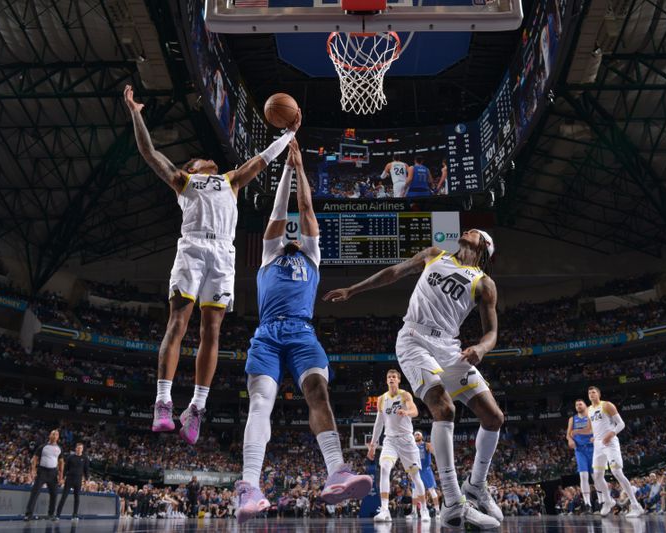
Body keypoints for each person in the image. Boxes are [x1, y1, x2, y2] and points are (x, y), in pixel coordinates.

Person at [124, 85, 300, 444]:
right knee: (178, 323)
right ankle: (162, 401)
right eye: (202, 157)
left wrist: (289, 134)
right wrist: (136, 113)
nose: (210, 158)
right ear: (193, 167)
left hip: (223, 253)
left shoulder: (231, 181)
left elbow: (261, 159)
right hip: (191, 249)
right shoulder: (184, 180)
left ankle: (196, 408)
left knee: (212, 331)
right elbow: (148, 151)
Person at [324, 229, 502, 529]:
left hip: (449, 347)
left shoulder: (484, 284)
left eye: (475, 231)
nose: (467, 230)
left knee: (494, 417)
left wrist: (481, 349)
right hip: (413, 339)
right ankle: (452, 501)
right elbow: (394, 272)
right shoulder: (435, 254)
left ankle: (476, 485)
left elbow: (492, 332)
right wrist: (353, 290)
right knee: (444, 408)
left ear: (485, 246)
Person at [234, 140, 371, 523]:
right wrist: (287, 173)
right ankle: (248, 486)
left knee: (317, 391)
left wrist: (300, 168)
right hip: (267, 335)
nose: (290, 233)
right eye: (286, 233)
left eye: (296, 233)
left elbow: (306, 208)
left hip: (302, 334)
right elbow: (280, 212)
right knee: (261, 403)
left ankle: (336, 471)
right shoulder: (268, 254)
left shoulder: (311, 256)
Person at [367, 369, 431, 523]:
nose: (391, 379)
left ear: (398, 380)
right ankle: (384, 510)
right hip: (390, 440)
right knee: (384, 468)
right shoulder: (382, 399)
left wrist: (407, 412)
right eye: (389, 377)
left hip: (406, 440)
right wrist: (373, 445)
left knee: (415, 476)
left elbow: (415, 411)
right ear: (386, 380)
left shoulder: (405, 395)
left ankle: (424, 509)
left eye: (394, 377)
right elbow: (378, 423)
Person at [587, 386, 644, 518]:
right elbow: (595, 427)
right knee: (596, 476)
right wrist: (594, 436)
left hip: (610, 443)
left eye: (593, 392)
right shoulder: (589, 410)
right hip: (598, 445)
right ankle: (608, 501)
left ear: (599, 394)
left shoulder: (607, 405)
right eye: (589, 393)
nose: (591, 394)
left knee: (617, 472)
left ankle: (636, 506)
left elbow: (621, 424)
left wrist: (611, 434)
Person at [25, 429, 63, 521]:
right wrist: (33, 471)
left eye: (56, 434)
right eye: (53, 434)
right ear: (50, 435)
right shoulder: (42, 447)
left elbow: (61, 462)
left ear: (58, 437)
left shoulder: (59, 448)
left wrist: (61, 476)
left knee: (54, 494)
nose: (55, 436)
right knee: (35, 493)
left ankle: (51, 514)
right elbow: (34, 459)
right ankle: (28, 514)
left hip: (53, 473)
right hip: (42, 472)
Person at [566, 399, 595, 513]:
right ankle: (587, 503)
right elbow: (568, 434)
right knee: (583, 476)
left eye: (580, 404)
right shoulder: (572, 419)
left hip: (593, 448)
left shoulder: (591, 416)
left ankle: (602, 500)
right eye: (576, 404)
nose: (578, 406)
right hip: (580, 450)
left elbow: (595, 429)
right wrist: (569, 440)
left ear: (585, 405)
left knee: (596, 476)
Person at [55, 442, 89, 520]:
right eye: (78, 448)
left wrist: (87, 479)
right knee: (64, 497)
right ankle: (57, 515)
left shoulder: (85, 458)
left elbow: (86, 470)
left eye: (81, 448)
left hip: (78, 480)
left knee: (77, 498)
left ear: (82, 449)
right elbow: (65, 468)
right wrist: (62, 478)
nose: (79, 449)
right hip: (69, 479)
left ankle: (75, 515)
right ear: (75, 448)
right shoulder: (70, 457)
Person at [414, 430, 441, 513]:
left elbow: (435, 453)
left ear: (421, 436)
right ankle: (414, 511)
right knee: (414, 491)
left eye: (418, 434)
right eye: (415, 435)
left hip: (426, 470)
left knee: (432, 490)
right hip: (416, 470)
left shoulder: (427, 445)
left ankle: (437, 511)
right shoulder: (412, 446)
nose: (417, 435)